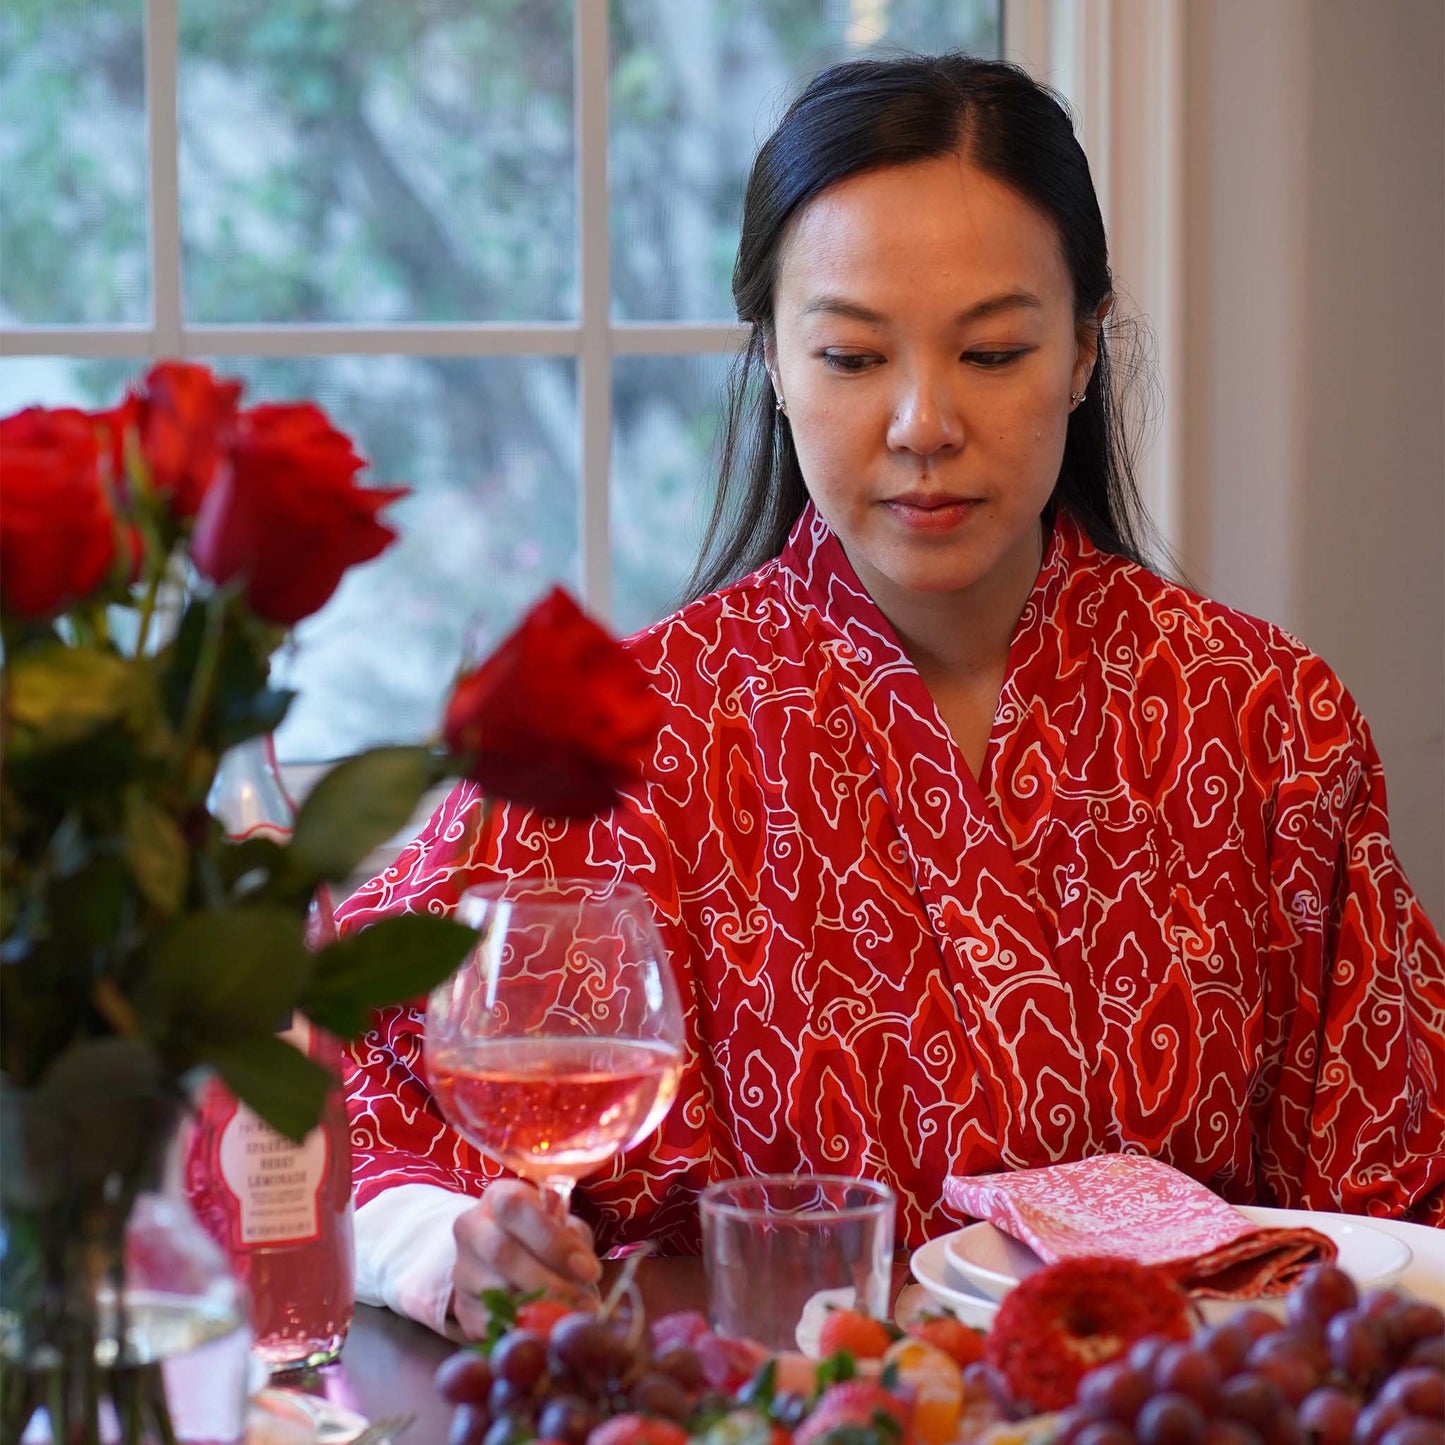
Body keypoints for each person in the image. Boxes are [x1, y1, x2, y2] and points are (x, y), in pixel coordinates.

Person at [337, 53, 1445, 1341]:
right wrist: (449, 1248)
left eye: (992, 350)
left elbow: (1402, 1189)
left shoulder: (1268, 720)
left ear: (1085, 349)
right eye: (854, 357)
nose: (924, 422)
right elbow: (339, 1060)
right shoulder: (625, 736)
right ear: (772, 362)